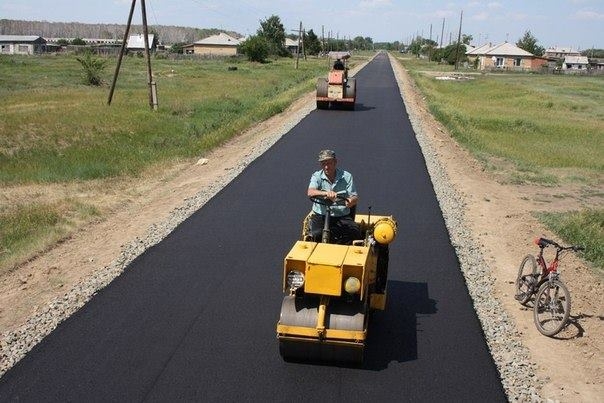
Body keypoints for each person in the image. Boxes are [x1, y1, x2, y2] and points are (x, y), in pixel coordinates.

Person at [307, 149, 361, 244]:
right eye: (323, 164)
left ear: (335, 162)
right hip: (321, 215)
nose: (326, 167)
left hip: (341, 215)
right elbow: (310, 192)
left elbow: (354, 197)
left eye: (329, 163)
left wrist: (351, 201)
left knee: (354, 233)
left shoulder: (347, 177)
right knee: (315, 235)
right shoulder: (317, 176)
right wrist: (326, 193)